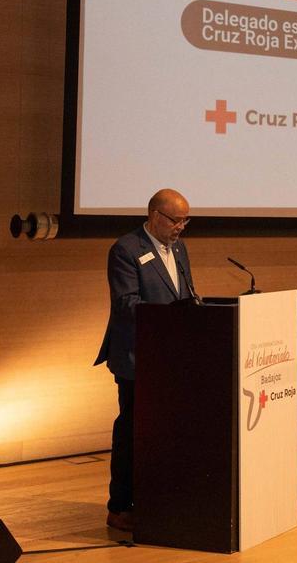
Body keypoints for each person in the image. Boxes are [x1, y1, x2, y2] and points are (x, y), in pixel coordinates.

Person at [93, 188, 196, 532]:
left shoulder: (179, 249)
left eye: (186, 221)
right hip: (137, 357)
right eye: (175, 220)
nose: (181, 227)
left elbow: (185, 295)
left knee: (165, 433)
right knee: (132, 431)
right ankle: (120, 506)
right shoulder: (126, 249)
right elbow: (126, 304)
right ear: (154, 215)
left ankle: (158, 500)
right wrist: (172, 316)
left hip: (170, 359)